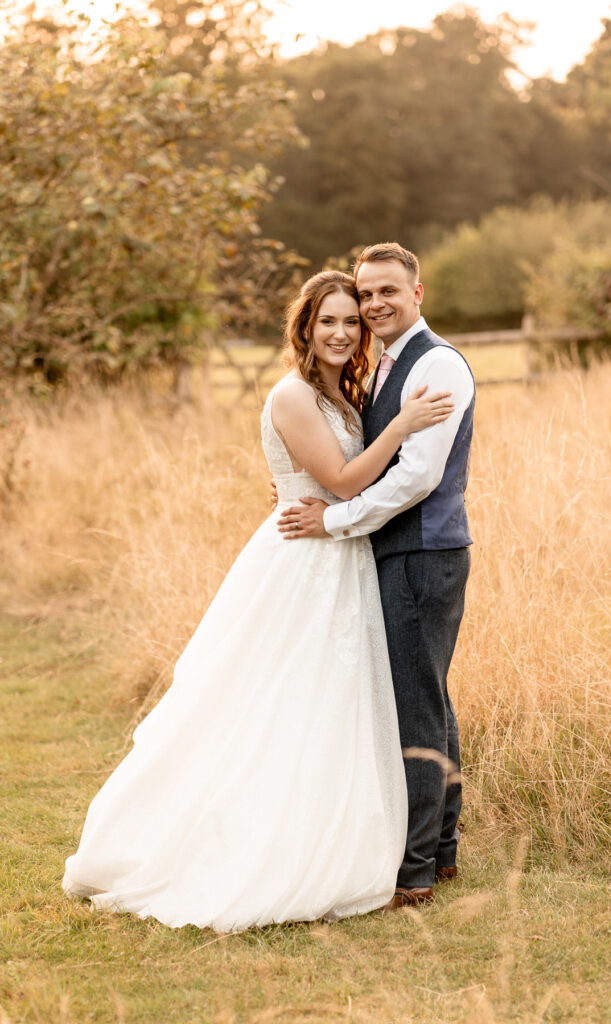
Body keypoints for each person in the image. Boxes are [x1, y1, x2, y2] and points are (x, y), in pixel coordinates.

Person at [62, 270, 455, 933]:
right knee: (277, 699)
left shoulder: (340, 392)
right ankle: (240, 844)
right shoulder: (294, 393)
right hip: (303, 562)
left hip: (339, 556)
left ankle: (332, 831)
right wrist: (403, 426)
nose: (340, 332)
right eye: (326, 321)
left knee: (329, 704)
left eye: (350, 322)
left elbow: (322, 480)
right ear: (304, 327)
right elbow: (339, 477)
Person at [277, 243, 475, 909]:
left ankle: (414, 870)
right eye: (366, 295)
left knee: (416, 709)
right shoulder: (382, 366)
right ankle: (439, 852)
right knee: (428, 699)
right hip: (398, 551)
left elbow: (417, 478)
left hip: (422, 552)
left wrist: (333, 522)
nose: (373, 304)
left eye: (387, 290)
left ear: (417, 293)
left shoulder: (437, 362)